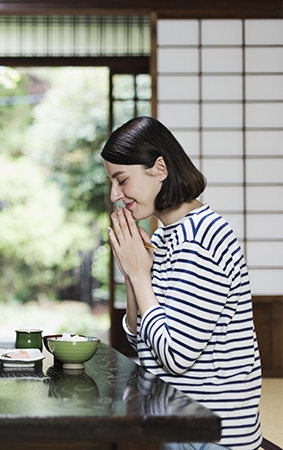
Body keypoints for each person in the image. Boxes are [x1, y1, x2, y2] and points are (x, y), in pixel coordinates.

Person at [102, 116, 262, 450]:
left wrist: (139, 275)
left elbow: (174, 354)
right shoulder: (167, 235)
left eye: (122, 180)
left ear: (159, 169)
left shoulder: (201, 237)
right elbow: (139, 336)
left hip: (210, 432)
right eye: (112, 183)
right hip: (176, 418)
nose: (116, 194)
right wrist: (133, 274)